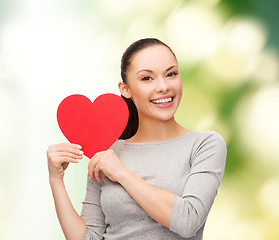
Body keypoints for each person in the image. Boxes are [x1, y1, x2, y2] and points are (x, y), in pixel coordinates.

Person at [47, 38, 227, 240]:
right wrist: (56, 179)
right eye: (147, 78)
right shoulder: (107, 153)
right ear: (125, 89)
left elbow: (188, 221)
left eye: (171, 74)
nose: (163, 86)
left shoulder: (205, 145)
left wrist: (121, 173)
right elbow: (89, 237)